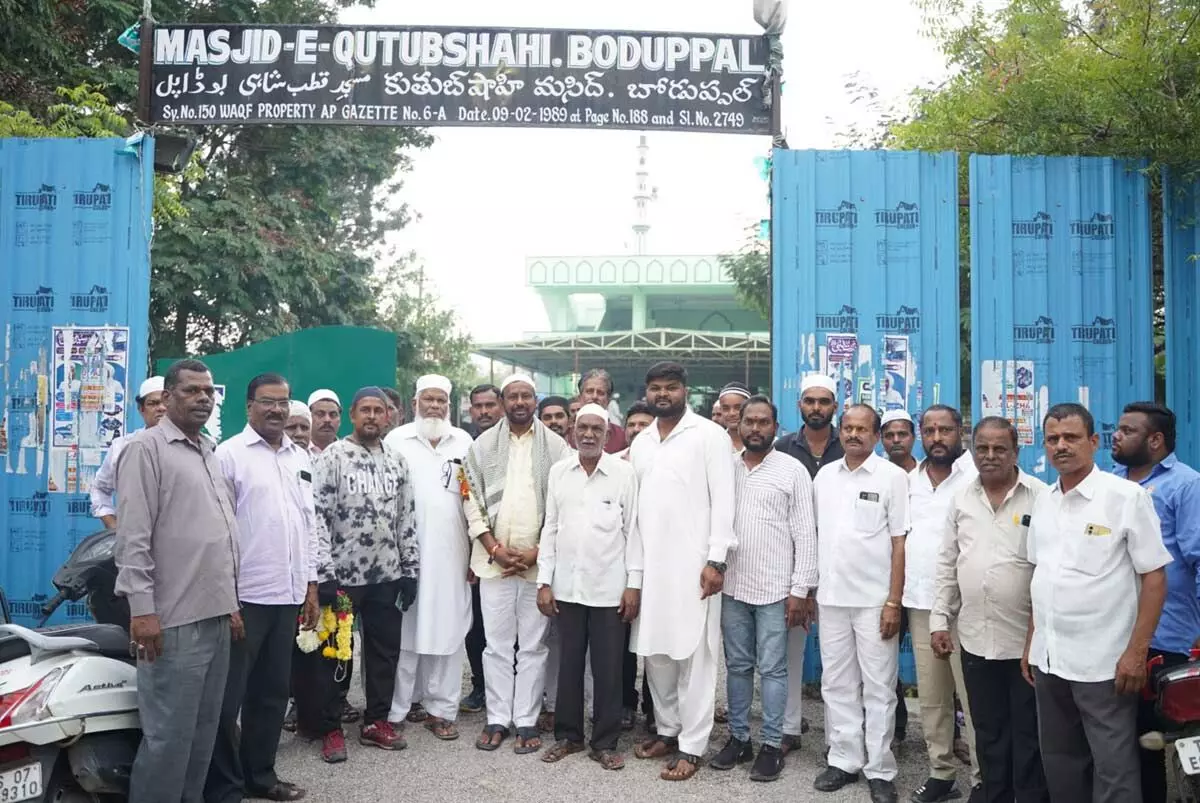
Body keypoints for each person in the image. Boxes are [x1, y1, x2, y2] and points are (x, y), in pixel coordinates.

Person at [1023, 403, 1171, 803]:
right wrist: (1032, 643)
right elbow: (1042, 576)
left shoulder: (1125, 497)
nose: (1061, 446)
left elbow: (1154, 578)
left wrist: (1136, 653)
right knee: (1061, 760)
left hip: (1104, 663)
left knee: (1114, 766)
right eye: (1052, 439)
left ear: (1093, 442)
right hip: (1050, 660)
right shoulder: (1044, 501)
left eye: (1071, 437)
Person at [115, 359, 243, 803]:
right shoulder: (145, 449)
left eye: (208, 391)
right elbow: (132, 537)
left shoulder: (208, 449)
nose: (203, 398)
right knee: (168, 738)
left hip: (215, 616)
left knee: (203, 734)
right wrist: (142, 610)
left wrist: (232, 604)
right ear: (166, 399)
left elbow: (216, 535)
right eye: (191, 390)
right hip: (170, 621)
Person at [205, 374, 318, 803]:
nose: (276, 410)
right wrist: (226, 598)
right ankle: (224, 786)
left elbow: (307, 525)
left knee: (272, 694)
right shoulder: (229, 456)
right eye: (268, 402)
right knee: (228, 699)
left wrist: (310, 586)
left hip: (287, 595)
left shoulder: (297, 456)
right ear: (250, 405)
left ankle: (261, 777)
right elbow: (217, 532)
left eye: (283, 402)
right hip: (245, 597)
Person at [931, 416, 1049, 803]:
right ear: (973, 450)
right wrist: (939, 620)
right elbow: (947, 564)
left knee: (1028, 731)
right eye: (982, 448)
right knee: (989, 728)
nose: (991, 455)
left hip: (1026, 643)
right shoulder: (962, 499)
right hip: (976, 638)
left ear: (1016, 451)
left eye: (1000, 448)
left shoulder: (1041, 496)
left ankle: (1028, 797)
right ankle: (995, 794)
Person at [629, 361, 735, 782]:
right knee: (656, 653)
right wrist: (633, 577)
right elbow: (635, 515)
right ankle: (668, 730)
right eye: (655, 388)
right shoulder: (641, 442)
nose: (662, 395)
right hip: (652, 569)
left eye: (670, 388)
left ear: (685, 391)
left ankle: (693, 745)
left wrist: (716, 560)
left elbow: (725, 500)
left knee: (696, 656)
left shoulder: (709, 436)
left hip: (696, 569)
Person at [308, 387, 420, 761]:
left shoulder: (398, 462)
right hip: (342, 579)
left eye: (379, 411)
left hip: (386, 576)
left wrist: (410, 570)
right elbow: (318, 518)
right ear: (352, 416)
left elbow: (406, 518)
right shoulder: (333, 458)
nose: (372, 417)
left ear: (388, 416)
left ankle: (377, 722)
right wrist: (323, 573)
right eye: (364, 411)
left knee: (384, 653)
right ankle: (330, 727)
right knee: (336, 654)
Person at [463, 374, 572, 753]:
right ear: (504, 401)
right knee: (495, 645)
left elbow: (562, 507)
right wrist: (494, 548)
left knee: (533, 645)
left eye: (527, 395)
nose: (520, 402)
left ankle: (525, 719)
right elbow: (470, 501)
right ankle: (497, 717)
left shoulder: (556, 447)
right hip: (494, 562)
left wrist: (535, 552)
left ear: (535, 400)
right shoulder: (480, 446)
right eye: (513, 396)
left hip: (535, 564)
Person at [711, 395, 817, 783]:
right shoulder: (726, 469)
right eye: (749, 422)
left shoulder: (792, 470)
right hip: (733, 586)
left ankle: (772, 745)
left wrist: (800, 590)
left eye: (763, 422)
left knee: (773, 669)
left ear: (776, 427)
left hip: (776, 589)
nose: (755, 428)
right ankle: (739, 738)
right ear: (739, 425)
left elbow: (806, 534)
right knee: (737, 667)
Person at [811, 402, 909, 803]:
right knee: (836, 683)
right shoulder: (824, 477)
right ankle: (844, 759)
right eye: (847, 428)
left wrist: (893, 602)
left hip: (874, 602)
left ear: (875, 434)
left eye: (862, 429)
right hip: (831, 598)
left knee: (879, 687)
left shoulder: (892, 477)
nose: (853, 435)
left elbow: (900, 542)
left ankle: (880, 769)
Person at [537, 403, 642, 770]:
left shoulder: (623, 473)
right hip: (567, 587)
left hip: (609, 589)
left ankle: (606, 742)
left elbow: (634, 533)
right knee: (568, 665)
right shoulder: (559, 473)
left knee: (608, 668)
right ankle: (568, 736)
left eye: (597, 429)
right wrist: (544, 581)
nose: (589, 435)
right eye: (583, 427)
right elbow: (550, 528)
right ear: (572, 431)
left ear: (607, 432)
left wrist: (634, 585)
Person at [1110, 402, 1200, 803]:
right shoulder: (1111, 483)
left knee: (1169, 742)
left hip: (1168, 634)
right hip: (1115, 632)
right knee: (1127, 742)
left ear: (1155, 440)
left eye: (1127, 430)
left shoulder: (1185, 485)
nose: (1116, 435)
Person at [384, 375, 474, 741]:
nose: (434, 406)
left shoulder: (464, 442)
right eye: (428, 399)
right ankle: (398, 709)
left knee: (448, 629)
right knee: (406, 631)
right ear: (415, 401)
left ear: (449, 406)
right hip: (405, 556)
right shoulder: (396, 440)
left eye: (441, 401)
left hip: (453, 554)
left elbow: (472, 498)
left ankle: (442, 709)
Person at [904, 405, 981, 802]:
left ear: (960, 432)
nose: (937, 437)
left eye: (945, 430)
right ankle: (941, 773)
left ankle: (983, 780)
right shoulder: (909, 481)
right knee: (932, 697)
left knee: (973, 697)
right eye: (930, 430)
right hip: (920, 603)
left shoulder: (976, 478)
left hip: (968, 607)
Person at [774, 373, 843, 751]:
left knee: (839, 663)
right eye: (809, 401)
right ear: (799, 405)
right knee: (790, 656)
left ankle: (839, 740)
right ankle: (789, 730)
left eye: (824, 401)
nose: (816, 407)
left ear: (835, 406)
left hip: (839, 568)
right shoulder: (782, 448)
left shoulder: (848, 447)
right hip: (793, 568)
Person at [461, 383, 502, 713]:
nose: (485, 411)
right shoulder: (462, 446)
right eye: (479, 406)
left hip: (513, 553)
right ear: (470, 410)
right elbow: (467, 499)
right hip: (475, 552)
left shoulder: (515, 445)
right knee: (476, 625)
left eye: (491, 404)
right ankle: (479, 685)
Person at [879, 409, 916, 741]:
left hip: (923, 587)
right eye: (889, 435)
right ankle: (895, 728)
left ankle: (952, 739)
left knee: (937, 663)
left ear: (913, 438)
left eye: (901, 434)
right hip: (887, 587)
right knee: (884, 665)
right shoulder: (876, 476)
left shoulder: (928, 476)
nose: (895, 440)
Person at [92, 375, 167, 529]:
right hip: (134, 540)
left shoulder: (190, 446)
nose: (161, 408)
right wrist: (112, 525)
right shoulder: (122, 447)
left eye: (166, 402)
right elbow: (99, 488)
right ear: (141, 409)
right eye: (153, 403)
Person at [576, 369, 628, 454]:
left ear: (608, 400)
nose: (594, 396)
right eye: (589, 391)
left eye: (600, 393)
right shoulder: (568, 435)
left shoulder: (621, 436)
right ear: (579, 398)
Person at [717, 381, 752, 452]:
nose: (732, 413)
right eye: (726, 408)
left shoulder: (769, 443)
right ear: (720, 410)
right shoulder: (713, 442)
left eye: (738, 408)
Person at [307, 389, 341, 455]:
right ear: (309, 417)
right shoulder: (297, 452)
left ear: (339, 420)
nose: (327, 420)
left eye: (333, 415)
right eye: (320, 414)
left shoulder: (348, 452)